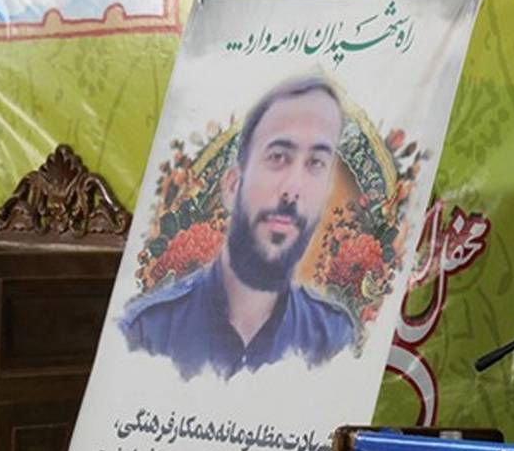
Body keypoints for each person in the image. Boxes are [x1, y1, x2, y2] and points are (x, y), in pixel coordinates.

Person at [121, 75, 355, 380]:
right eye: (278, 157)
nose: (293, 188)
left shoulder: (333, 337)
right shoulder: (149, 331)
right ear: (233, 185)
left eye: (316, 163)